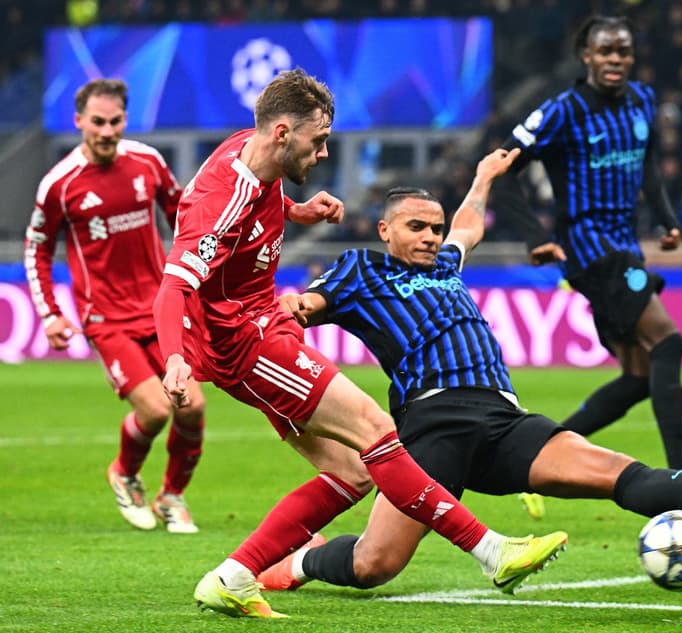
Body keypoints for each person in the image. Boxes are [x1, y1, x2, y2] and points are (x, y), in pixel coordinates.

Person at [248, 147, 682, 595]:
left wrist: (484, 177)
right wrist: (295, 308)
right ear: (385, 230)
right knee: (375, 565)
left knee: (616, 472)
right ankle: (299, 563)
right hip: (432, 424)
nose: (430, 237)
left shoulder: (445, 263)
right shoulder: (359, 271)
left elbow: (469, 226)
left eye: (434, 229)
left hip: (503, 418)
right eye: (416, 227)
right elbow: (305, 306)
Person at [151, 69, 566, 619]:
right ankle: (492, 551)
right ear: (281, 132)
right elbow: (176, 285)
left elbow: (250, 215)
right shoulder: (220, 198)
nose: (323, 153)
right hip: (247, 341)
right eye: (317, 141)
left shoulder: (250, 153)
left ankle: (232, 577)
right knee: (377, 431)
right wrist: (174, 358)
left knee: (352, 470)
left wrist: (297, 212)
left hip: (256, 328)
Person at [492, 16, 682, 480]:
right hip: (590, 251)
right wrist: (536, 236)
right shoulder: (562, 110)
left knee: (640, 376)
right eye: (606, 52)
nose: (615, 61)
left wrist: (666, 218)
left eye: (622, 52)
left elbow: (649, 166)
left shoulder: (642, 101)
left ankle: (533, 460)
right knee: (669, 341)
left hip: (625, 249)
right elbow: (502, 169)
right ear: (586, 55)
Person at [24, 78, 205, 534]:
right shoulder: (59, 184)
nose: (107, 131)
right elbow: (37, 248)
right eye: (98, 122)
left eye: (116, 121)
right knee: (156, 410)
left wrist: (195, 275)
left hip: (158, 308)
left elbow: (182, 215)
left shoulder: (148, 162)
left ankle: (173, 497)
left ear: (126, 119)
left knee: (192, 409)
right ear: (79, 121)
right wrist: (50, 313)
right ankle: (124, 473)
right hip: (106, 319)